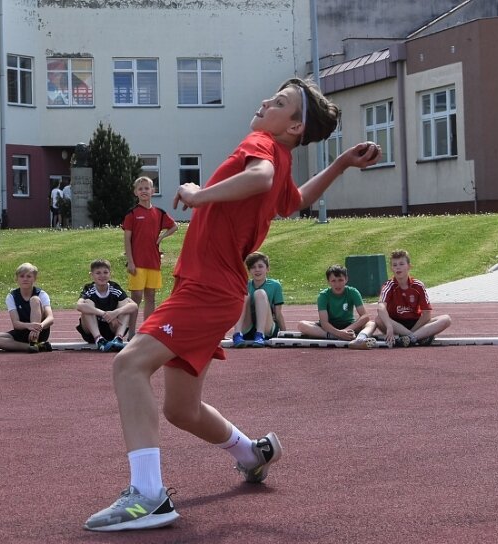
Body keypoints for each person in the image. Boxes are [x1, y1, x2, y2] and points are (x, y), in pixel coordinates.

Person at [83, 77, 383, 532]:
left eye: (279, 102)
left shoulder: (263, 145)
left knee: (129, 366)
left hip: (206, 290)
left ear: (295, 126)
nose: (265, 102)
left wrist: (200, 194)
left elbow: (258, 177)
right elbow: (296, 200)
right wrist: (340, 163)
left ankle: (147, 496)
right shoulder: (281, 158)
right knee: (181, 409)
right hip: (212, 289)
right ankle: (253, 452)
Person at [122, 176, 178, 339]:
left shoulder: (159, 213)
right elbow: (127, 239)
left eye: (147, 188)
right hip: (137, 263)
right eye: (140, 189)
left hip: (153, 262)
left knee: (151, 297)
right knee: (136, 298)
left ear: (153, 191)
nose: (144, 191)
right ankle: (131, 332)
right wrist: (130, 262)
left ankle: (147, 330)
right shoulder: (132, 214)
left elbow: (174, 226)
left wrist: (161, 237)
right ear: (135, 193)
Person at [376, 249, 452, 347]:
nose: (398, 267)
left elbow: (426, 314)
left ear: (409, 266)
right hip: (396, 324)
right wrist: (390, 326)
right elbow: (381, 307)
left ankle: (408, 339)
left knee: (446, 319)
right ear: (391, 269)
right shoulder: (388, 285)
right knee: (379, 319)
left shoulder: (418, 285)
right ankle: (416, 337)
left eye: (401, 264)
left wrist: (411, 332)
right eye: (394, 265)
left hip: (416, 323)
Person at [297, 264, 378, 350]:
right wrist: (339, 333)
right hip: (329, 328)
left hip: (349, 325)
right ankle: (333, 336)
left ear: (346, 279)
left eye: (340, 280)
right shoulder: (323, 296)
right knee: (301, 325)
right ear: (328, 281)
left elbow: (365, 316)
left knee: (372, 323)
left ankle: (359, 340)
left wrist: (347, 330)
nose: (337, 284)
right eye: (333, 281)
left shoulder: (353, 292)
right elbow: (324, 323)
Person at [0, 263, 54, 353]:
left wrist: (38, 327)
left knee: (34, 300)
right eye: (22, 276)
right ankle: (33, 347)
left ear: (34, 278)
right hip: (22, 332)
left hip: (39, 332)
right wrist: (29, 326)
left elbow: (50, 318)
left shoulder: (41, 294)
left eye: (29, 276)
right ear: (16, 279)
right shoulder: (12, 296)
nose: (25, 279)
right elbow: (16, 324)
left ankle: (34, 342)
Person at [76, 259, 138, 353]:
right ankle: (99, 340)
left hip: (112, 328)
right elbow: (79, 306)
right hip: (91, 333)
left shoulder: (114, 288)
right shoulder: (89, 289)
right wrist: (104, 314)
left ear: (110, 274)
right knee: (87, 303)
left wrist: (115, 313)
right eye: (98, 273)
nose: (102, 276)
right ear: (91, 275)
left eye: (105, 272)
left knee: (125, 304)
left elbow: (134, 306)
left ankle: (118, 338)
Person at [231, 251, 286, 348]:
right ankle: (237, 334)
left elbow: (278, 314)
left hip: (266, 329)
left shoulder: (275, 285)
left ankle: (259, 334)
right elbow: (235, 311)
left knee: (260, 293)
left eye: (260, 266)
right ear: (249, 271)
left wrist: (285, 334)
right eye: (253, 267)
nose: (257, 270)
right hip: (247, 328)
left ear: (267, 269)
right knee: (244, 294)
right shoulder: (245, 286)